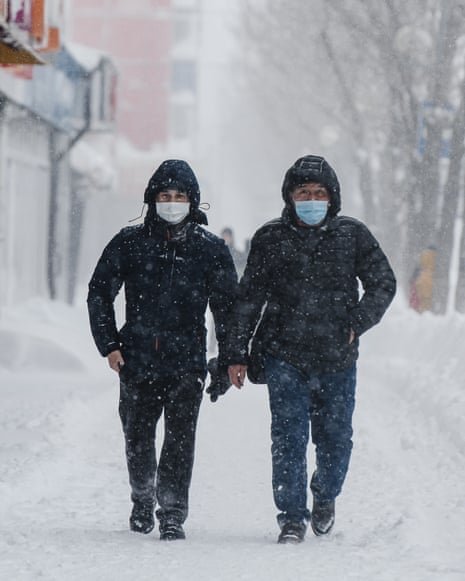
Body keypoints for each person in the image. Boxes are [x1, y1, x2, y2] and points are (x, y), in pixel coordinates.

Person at [225, 155, 396, 544]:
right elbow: (248, 299)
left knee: (336, 438)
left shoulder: (352, 235)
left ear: (332, 198)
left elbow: (383, 282)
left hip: (337, 357)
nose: (312, 199)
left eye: (319, 193)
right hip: (284, 355)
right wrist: (236, 352)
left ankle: (325, 495)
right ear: (289, 196)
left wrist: (357, 322)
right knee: (288, 437)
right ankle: (291, 516)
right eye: (304, 192)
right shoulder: (270, 238)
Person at [87, 159, 236, 541]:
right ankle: (141, 495)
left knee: (180, 439)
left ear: (193, 201)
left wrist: (230, 357)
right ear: (152, 200)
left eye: (180, 196)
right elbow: (100, 292)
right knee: (137, 437)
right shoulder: (129, 243)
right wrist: (110, 346)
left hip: (187, 362)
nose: (172, 203)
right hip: (136, 360)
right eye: (165, 196)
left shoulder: (211, 250)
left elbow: (228, 308)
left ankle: (172, 511)